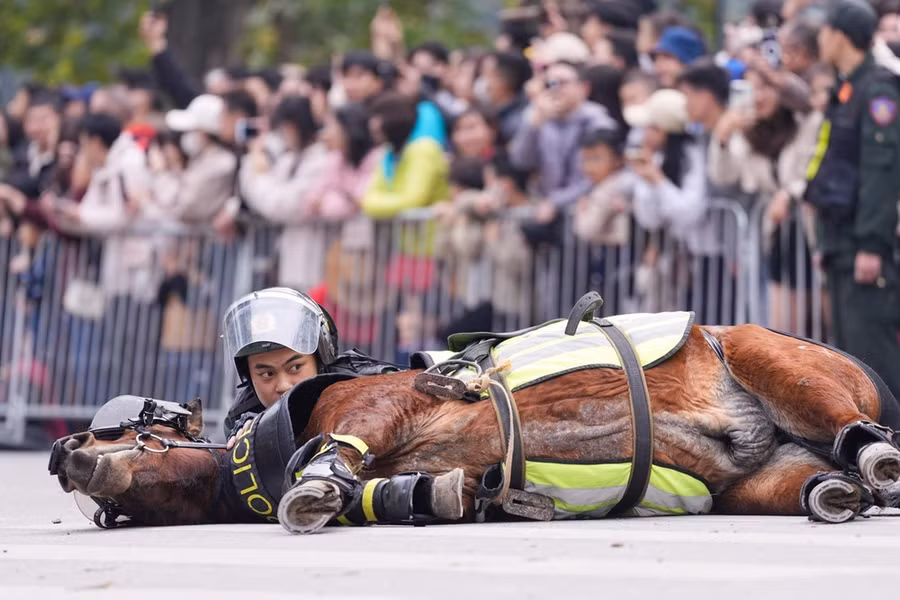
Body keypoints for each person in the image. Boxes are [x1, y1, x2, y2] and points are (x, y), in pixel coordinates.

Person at [805, 0, 900, 398]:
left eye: (824, 31)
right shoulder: (847, 90)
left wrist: (871, 244)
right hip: (841, 240)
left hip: (862, 245)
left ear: (841, 36)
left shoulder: (877, 89)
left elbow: (881, 172)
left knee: (873, 357)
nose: (819, 39)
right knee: (851, 357)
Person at [222, 287, 403, 439]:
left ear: (320, 360)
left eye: (295, 368)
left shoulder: (366, 382)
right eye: (267, 374)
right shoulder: (241, 419)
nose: (284, 385)